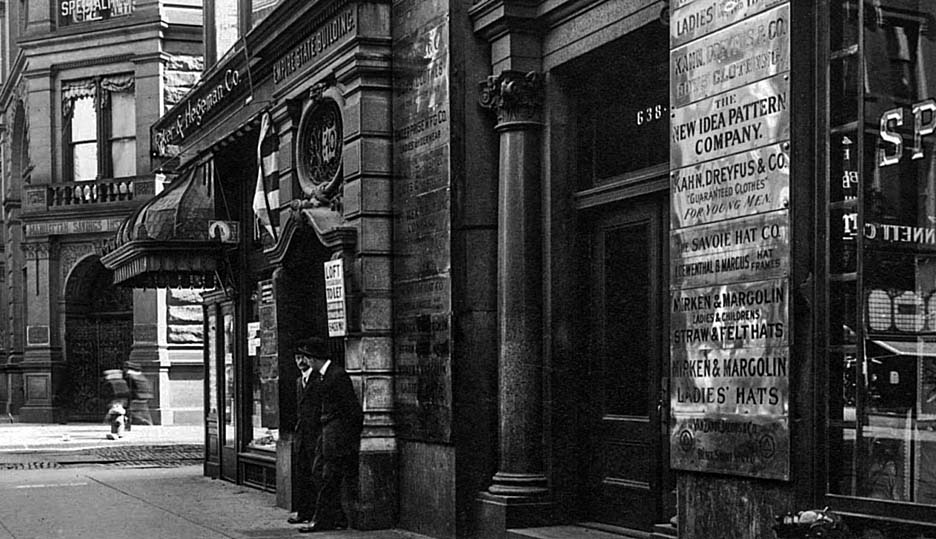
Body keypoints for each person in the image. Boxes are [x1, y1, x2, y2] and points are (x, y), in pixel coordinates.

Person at [297, 337, 363, 534]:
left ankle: (323, 520)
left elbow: (352, 409)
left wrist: (345, 435)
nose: (305, 362)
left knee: (328, 477)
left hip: (336, 435)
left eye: (307, 358)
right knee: (320, 473)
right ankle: (337, 517)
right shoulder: (325, 375)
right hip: (326, 434)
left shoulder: (336, 375)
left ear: (314, 358)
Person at [287, 339, 323, 525]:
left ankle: (315, 512)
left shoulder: (318, 379)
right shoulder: (298, 381)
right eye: (297, 357)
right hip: (302, 435)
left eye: (303, 357)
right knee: (302, 474)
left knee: (316, 475)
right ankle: (304, 511)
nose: (300, 361)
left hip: (315, 435)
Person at [123, 361, 154, 429]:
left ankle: (127, 424)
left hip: (137, 397)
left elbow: (129, 388)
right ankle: (146, 421)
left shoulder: (130, 376)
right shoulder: (140, 376)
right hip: (145, 396)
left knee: (125, 407)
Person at [102, 369, 129, 440]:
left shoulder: (109, 383)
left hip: (114, 402)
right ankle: (120, 432)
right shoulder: (123, 382)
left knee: (115, 418)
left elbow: (107, 393)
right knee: (120, 418)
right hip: (123, 402)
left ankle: (115, 432)